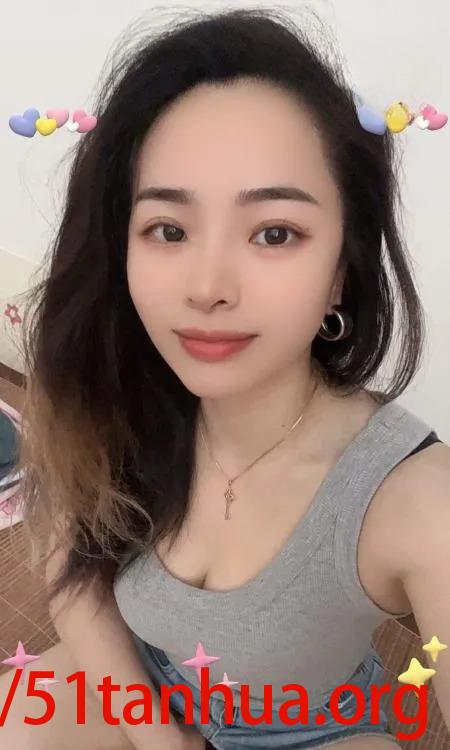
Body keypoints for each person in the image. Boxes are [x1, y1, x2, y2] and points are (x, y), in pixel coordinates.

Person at [1, 7, 449, 750]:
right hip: (147, 679)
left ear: (340, 272)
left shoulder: (419, 501)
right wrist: (165, 741)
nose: (207, 287)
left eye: (274, 232)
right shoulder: (106, 392)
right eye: (168, 230)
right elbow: (73, 582)